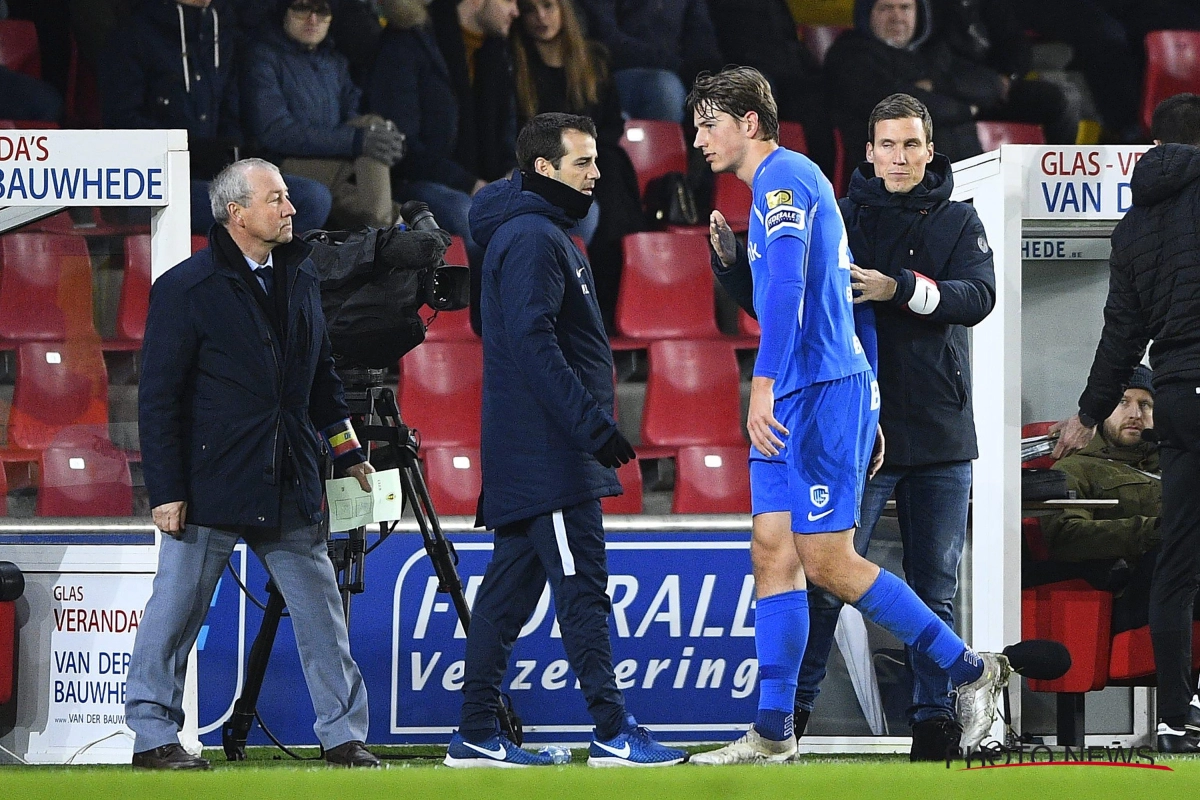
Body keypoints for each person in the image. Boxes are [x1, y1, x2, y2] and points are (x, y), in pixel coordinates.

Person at [684, 67, 1008, 765]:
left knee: (828, 562)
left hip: (820, 393)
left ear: (748, 121)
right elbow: (810, 293)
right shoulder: (783, 188)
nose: (698, 138)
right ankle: (773, 731)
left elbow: (796, 288)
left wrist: (762, 383)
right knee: (772, 553)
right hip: (815, 390)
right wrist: (734, 267)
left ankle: (974, 674)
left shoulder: (784, 179)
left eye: (709, 122)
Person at [444, 113, 685, 768]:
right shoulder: (531, 238)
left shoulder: (534, 233)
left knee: (505, 597)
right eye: (583, 163)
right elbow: (530, 342)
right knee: (582, 592)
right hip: (550, 453)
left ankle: (474, 733)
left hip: (537, 451)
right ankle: (611, 732)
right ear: (545, 170)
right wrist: (589, 424)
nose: (597, 174)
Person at [127, 159, 378, 770]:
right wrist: (166, 490)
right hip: (209, 483)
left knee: (322, 612)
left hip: (290, 476)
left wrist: (347, 453)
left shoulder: (302, 278)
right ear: (236, 214)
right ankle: (154, 737)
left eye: (288, 198)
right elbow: (158, 398)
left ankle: (343, 737)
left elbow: (322, 377)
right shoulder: (186, 287)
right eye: (277, 199)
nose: (291, 209)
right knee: (177, 609)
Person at [786, 93, 997, 762]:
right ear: (868, 152)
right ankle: (789, 719)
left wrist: (897, 287)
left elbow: (978, 298)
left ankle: (933, 723)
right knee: (826, 581)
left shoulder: (960, 220)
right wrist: (736, 268)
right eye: (887, 144)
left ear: (930, 150)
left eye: (910, 144)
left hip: (940, 435)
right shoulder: (842, 217)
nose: (899, 157)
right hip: (858, 436)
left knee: (936, 587)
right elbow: (796, 299)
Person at [1051, 93, 1200, 753]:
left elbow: (1121, 335)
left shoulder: (1134, 225)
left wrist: (1088, 413)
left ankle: (1173, 716)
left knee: (1178, 559)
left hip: (1175, 396)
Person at [99, 0, 332, 234]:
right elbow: (121, 122)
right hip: (150, 183)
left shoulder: (223, 34)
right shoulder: (133, 34)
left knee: (312, 198)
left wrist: (230, 154)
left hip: (213, 180)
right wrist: (191, 150)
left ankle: (260, 268)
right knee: (256, 209)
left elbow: (231, 114)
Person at [370, 0, 520, 330]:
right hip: (418, 183)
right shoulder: (410, 43)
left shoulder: (498, 52)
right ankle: (487, 330)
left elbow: (510, 128)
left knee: (570, 213)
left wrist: (512, 171)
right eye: (510, 0)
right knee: (469, 214)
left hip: (483, 182)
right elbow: (402, 144)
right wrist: (471, 184)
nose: (516, 11)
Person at [511, 0, 643, 328]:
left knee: (609, 175)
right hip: (544, 168)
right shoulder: (513, 62)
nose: (541, 18)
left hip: (597, 159)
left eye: (548, 6)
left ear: (564, 10)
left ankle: (612, 306)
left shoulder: (593, 59)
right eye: (530, 10)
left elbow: (612, 124)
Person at [825, 0, 1069, 165]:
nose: (897, 17)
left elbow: (990, 84)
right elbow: (898, 105)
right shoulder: (850, 53)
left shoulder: (930, 52)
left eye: (905, 8)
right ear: (867, 14)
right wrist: (965, 108)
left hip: (962, 183)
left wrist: (935, 86)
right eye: (886, 8)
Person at [242, 0, 405, 229]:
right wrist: (356, 142)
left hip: (332, 160)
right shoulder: (263, 57)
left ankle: (385, 222)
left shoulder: (334, 62)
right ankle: (388, 225)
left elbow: (352, 119)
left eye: (322, 10)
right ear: (284, 12)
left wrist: (389, 142)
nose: (312, 19)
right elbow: (274, 132)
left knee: (375, 130)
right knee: (372, 133)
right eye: (301, 8)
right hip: (280, 164)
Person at [1041, 367, 1169, 633]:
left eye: (1145, 405)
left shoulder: (1175, 465)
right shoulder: (1076, 467)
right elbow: (1065, 536)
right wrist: (1154, 531)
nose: (1135, 414)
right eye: (1123, 402)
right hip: (1132, 588)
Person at [577, 0, 721, 123]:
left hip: (674, 72)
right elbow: (606, 41)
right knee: (664, 90)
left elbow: (702, 39)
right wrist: (677, 65)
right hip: (613, 74)